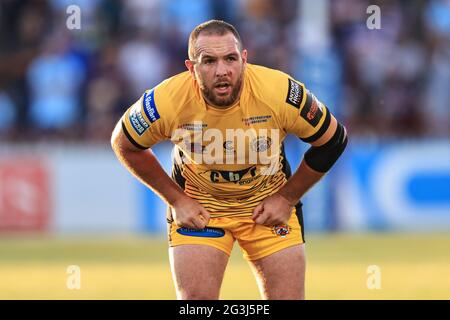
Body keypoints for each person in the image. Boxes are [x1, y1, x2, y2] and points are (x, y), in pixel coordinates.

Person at [111, 20, 347, 300]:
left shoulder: (279, 91)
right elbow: (123, 142)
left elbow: (333, 139)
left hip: (266, 205)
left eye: (230, 59)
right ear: (191, 68)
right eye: (208, 61)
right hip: (201, 208)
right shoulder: (168, 100)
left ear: (244, 59)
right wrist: (177, 200)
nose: (222, 71)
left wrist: (286, 199)